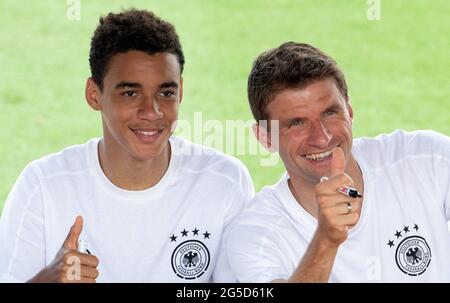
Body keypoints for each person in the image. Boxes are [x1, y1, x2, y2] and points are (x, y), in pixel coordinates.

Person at [0, 9, 254, 283]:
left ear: (180, 92)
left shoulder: (225, 181)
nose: (152, 111)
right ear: (93, 95)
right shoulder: (42, 186)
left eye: (165, 93)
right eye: (130, 93)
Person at [225, 42, 450, 282]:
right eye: (297, 123)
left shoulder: (427, 159)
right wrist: (327, 238)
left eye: (330, 113)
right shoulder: (256, 235)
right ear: (265, 137)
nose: (322, 138)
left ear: (350, 112)